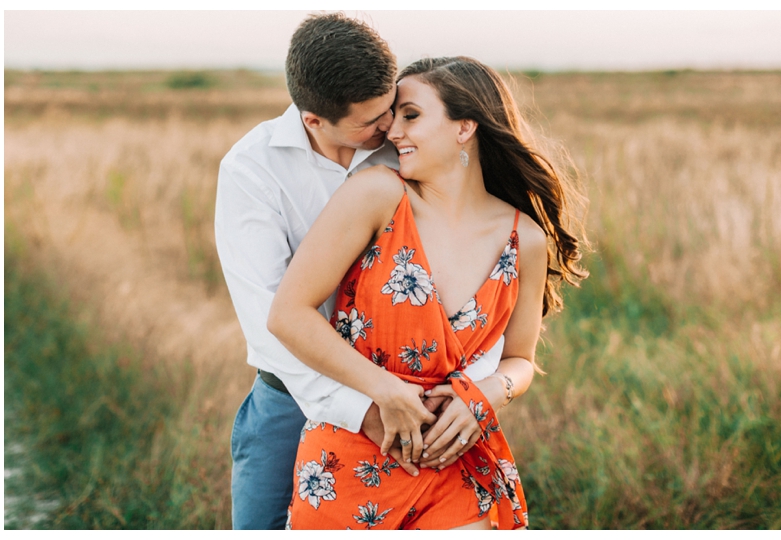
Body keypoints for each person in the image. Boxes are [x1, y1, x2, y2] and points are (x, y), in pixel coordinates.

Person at [268, 56, 588, 530]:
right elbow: (288, 314)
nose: (392, 132)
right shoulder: (377, 194)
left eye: (410, 115)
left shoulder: (525, 240)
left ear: (465, 127)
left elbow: (520, 361)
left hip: (454, 453)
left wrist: (485, 396)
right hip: (353, 451)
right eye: (393, 116)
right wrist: (385, 391)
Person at [214, 14, 502, 530]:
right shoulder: (252, 171)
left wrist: (469, 391)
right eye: (371, 122)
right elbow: (270, 318)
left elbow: (477, 264)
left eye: (391, 109)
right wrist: (365, 406)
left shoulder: (409, 149)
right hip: (294, 397)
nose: (389, 128)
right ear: (314, 121)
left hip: (416, 400)